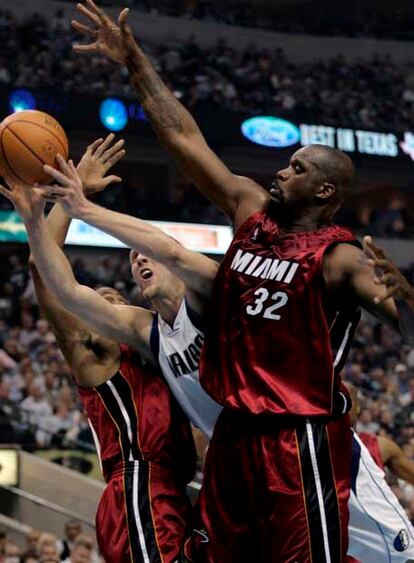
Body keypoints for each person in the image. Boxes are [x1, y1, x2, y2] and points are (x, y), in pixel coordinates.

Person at [70, 3, 414, 561]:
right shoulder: (250, 210)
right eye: (287, 162)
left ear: (326, 193)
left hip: (298, 437)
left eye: (299, 168)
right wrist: (133, 60)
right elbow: (185, 139)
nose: (282, 170)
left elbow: (408, 328)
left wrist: (408, 300)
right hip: (233, 435)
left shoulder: (340, 259)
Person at [15, 135, 197, 563]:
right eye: (98, 300)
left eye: (117, 296)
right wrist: (73, 196)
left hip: (175, 489)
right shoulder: (93, 354)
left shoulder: (159, 349)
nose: (109, 301)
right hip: (137, 487)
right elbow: (43, 268)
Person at [345, 382, 414, 562]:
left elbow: (410, 473)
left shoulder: (379, 446)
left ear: (358, 406)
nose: (342, 407)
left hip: (382, 544)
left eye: (347, 399)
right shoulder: (314, 448)